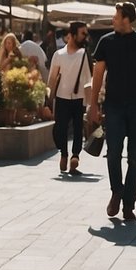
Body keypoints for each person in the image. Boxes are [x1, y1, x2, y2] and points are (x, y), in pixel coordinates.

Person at [88, 2, 136, 223]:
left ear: (126, 19)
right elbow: (98, 75)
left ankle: (129, 204)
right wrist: (93, 105)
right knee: (113, 153)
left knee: (135, 159)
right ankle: (117, 191)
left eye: (116, 16)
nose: (113, 20)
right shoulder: (105, 42)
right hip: (114, 106)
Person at [47, 20, 91, 175]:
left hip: (79, 99)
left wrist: (90, 104)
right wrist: (48, 100)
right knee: (60, 129)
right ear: (72, 35)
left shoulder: (84, 55)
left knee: (78, 129)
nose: (85, 36)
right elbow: (52, 79)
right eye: (83, 33)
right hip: (61, 97)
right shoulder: (59, 55)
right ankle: (64, 154)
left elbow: (88, 80)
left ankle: (74, 156)